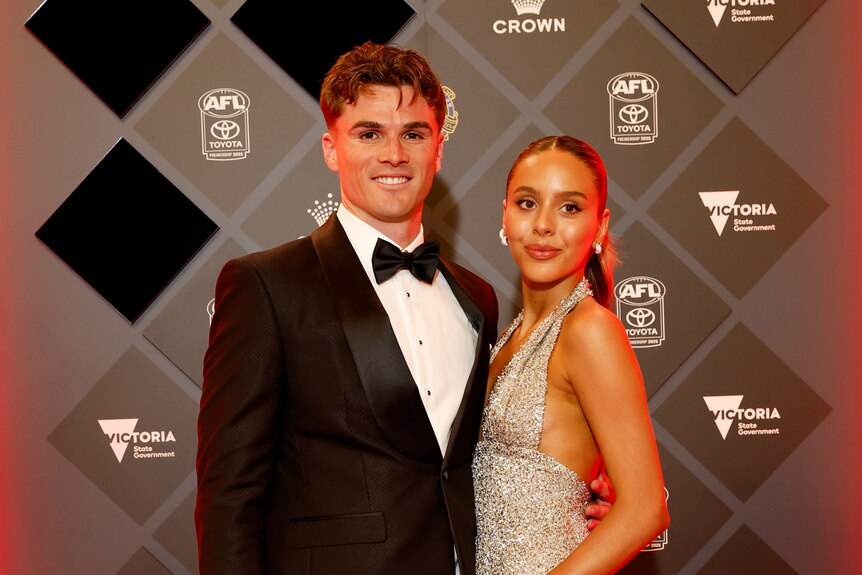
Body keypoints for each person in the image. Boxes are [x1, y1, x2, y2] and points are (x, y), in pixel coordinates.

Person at [195, 41, 611, 575]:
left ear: (438, 151)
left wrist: (577, 489)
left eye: (413, 134)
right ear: (330, 148)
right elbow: (229, 497)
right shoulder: (266, 286)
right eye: (370, 133)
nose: (394, 154)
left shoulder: (477, 298)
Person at [473, 136, 669, 574]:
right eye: (526, 203)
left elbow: (646, 509)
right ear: (504, 213)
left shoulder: (589, 331)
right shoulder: (507, 337)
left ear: (599, 227)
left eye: (569, 208)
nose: (543, 224)